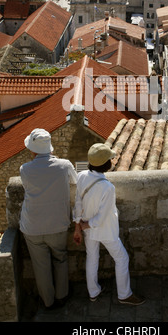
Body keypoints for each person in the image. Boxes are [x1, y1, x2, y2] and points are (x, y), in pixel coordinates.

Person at [73, 143, 145, 306]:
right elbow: (102, 217)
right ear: (105, 165)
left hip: (87, 227)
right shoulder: (108, 187)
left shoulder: (82, 176)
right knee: (122, 258)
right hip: (105, 230)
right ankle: (124, 294)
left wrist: (78, 226)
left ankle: (93, 291)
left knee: (92, 258)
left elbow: (78, 202)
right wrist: (85, 226)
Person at [19, 128, 77, 311]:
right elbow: (75, 182)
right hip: (57, 225)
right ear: (50, 148)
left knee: (40, 266)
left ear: (33, 150)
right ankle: (62, 296)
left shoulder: (25, 170)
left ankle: (48, 301)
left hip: (32, 227)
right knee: (60, 259)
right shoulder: (65, 165)